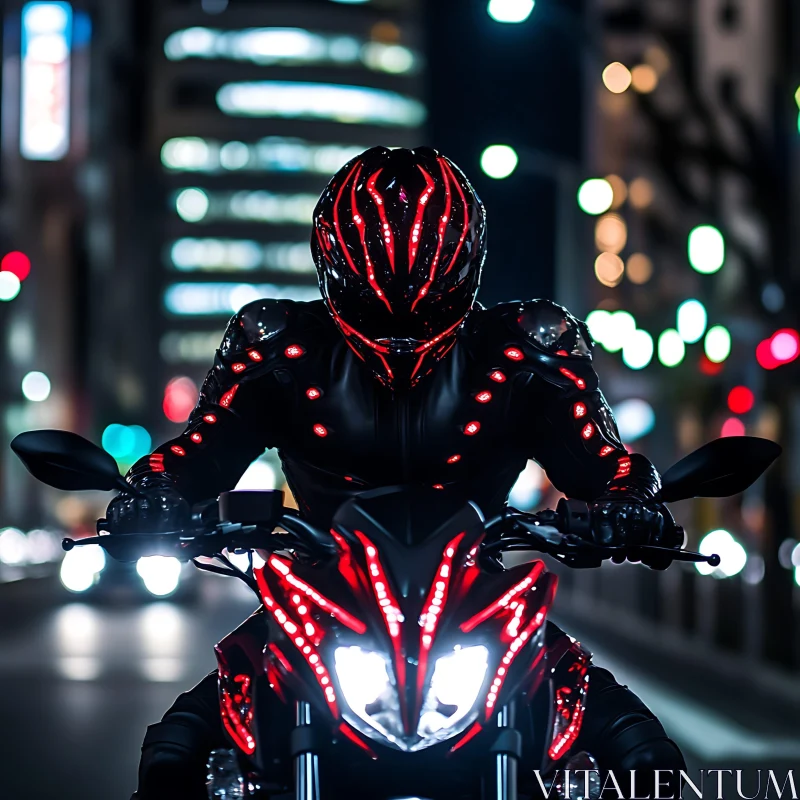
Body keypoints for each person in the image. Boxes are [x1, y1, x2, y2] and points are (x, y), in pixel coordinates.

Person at [110, 147, 685, 799]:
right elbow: (201, 449)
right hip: (316, 603)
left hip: (480, 603)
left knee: (647, 760)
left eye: (426, 296)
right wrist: (151, 492)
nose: (403, 326)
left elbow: (603, 459)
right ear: (334, 267)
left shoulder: (530, 346)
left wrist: (629, 503)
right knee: (173, 760)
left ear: (463, 271)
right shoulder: (279, 344)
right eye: (376, 298)